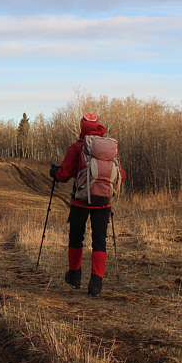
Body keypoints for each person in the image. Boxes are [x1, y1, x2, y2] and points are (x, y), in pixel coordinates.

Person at [49, 113, 118, 297]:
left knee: (76, 238)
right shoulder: (108, 149)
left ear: (82, 127)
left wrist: (54, 173)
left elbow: (63, 175)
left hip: (80, 201)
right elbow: (121, 174)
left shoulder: (77, 148)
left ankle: (74, 277)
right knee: (99, 242)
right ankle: (96, 285)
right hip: (103, 203)